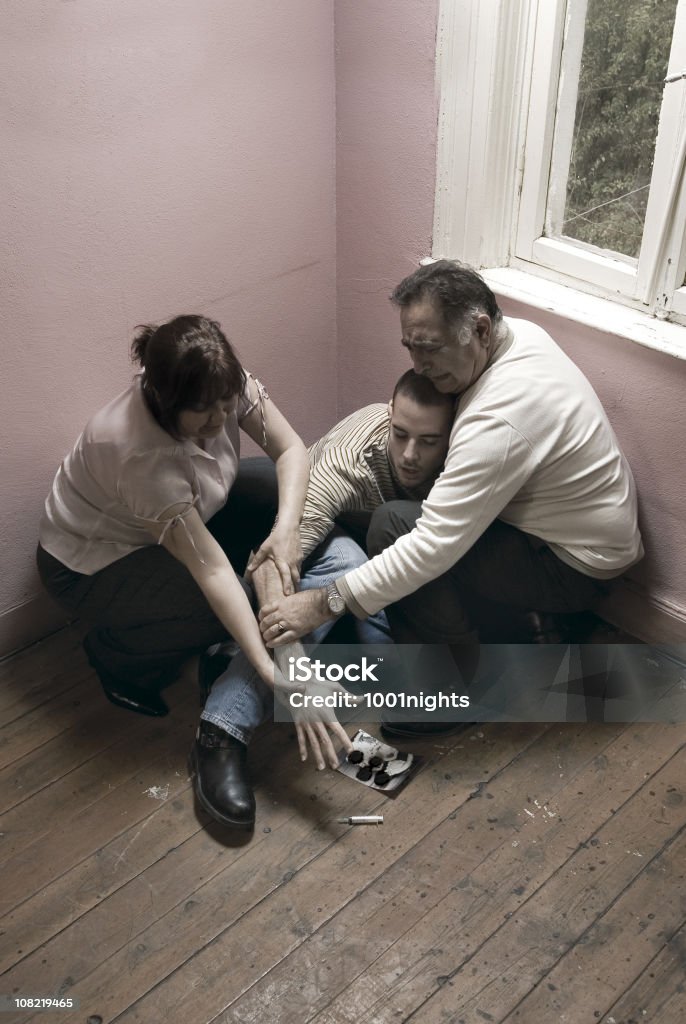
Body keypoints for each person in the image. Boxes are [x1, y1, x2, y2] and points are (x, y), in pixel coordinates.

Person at [258, 260, 644, 736]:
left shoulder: (497, 420)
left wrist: (320, 604)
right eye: (410, 347)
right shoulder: (518, 337)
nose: (418, 365)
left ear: (480, 328)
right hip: (575, 537)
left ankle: (464, 687)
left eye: (430, 349)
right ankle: (527, 626)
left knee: (394, 525)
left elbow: (431, 547)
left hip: (572, 566)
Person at [37, 314, 352, 826]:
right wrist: (275, 673)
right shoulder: (136, 454)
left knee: (325, 538)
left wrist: (287, 534)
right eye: (204, 414)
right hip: (94, 564)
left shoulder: (218, 379)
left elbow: (292, 448)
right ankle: (118, 656)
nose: (220, 420)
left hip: (196, 508)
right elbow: (212, 572)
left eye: (226, 406)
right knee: (236, 602)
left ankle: (230, 660)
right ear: (165, 401)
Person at [192, 369, 456, 826]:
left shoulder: (467, 458)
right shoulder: (347, 461)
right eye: (401, 434)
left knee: (397, 690)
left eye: (430, 441)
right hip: (313, 555)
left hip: (380, 580)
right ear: (388, 417)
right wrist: (296, 678)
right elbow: (270, 567)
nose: (411, 455)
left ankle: (234, 654)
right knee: (346, 562)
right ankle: (220, 729)